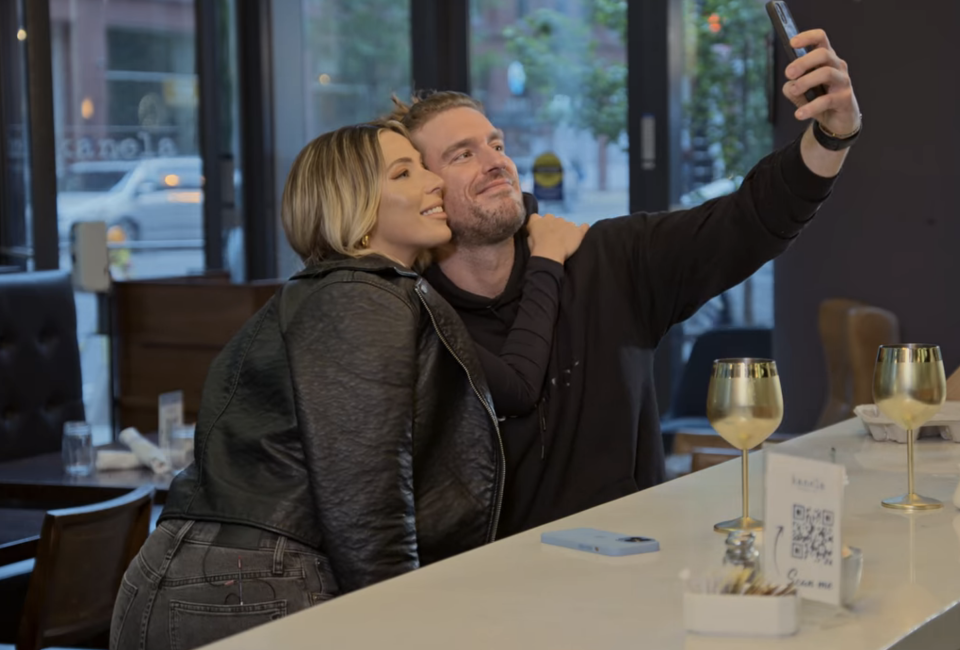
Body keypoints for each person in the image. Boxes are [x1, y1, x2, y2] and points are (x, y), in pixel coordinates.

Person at [110, 121, 586, 650]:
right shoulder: (359, 296)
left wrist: (543, 263)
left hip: (241, 575)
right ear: (355, 206)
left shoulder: (371, 293)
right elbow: (364, 495)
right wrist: (404, 624)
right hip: (245, 581)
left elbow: (515, 390)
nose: (434, 183)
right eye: (405, 173)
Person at [385, 29, 861, 537]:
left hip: (630, 576)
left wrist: (832, 135)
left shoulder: (607, 259)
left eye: (496, 144)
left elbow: (747, 220)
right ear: (426, 190)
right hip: (488, 597)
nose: (495, 161)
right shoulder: (410, 316)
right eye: (463, 154)